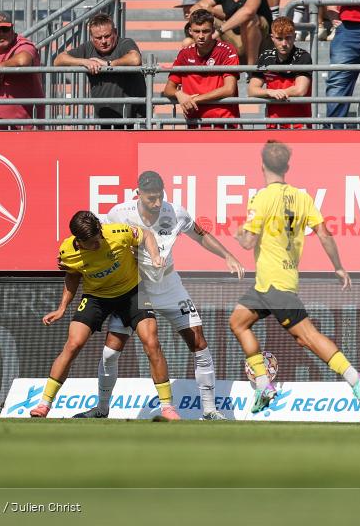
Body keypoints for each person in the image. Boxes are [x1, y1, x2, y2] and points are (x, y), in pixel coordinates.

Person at [75, 171, 247, 420]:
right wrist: (71, 256)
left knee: (198, 341)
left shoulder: (176, 213)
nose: (156, 204)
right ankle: (102, 408)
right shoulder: (118, 214)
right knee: (111, 352)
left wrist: (228, 255)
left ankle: (210, 410)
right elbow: (92, 237)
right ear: (138, 195)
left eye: (159, 197)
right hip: (136, 290)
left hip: (169, 286)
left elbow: (201, 235)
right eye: (150, 199)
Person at [230, 141, 360, 416]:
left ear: (262, 166)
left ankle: (357, 379)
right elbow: (324, 234)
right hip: (270, 283)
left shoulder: (261, 198)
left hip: (274, 283)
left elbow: (248, 242)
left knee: (307, 337)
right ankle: (263, 384)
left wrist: (239, 233)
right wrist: (339, 267)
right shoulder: (303, 198)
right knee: (237, 322)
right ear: (287, 167)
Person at [31, 211, 181, 421]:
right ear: (79, 241)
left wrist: (155, 256)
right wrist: (62, 307)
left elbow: (146, 234)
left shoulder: (117, 233)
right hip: (96, 297)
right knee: (73, 344)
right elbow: (72, 276)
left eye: (99, 238)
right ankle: (44, 404)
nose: (98, 245)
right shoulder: (67, 251)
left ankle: (168, 408)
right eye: (91, 243)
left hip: (133, 292)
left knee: (152, 342)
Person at [54, 13, 146, 128]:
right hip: (105, 119)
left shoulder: (125, 43)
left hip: (135, 120)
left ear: (115, 33)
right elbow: (58, 60)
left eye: (107, 36)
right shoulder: (88, 48)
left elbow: (135, 59)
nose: (103, 41)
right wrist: (85, 62)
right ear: (92, 38)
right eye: (98, 38)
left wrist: (109, 64)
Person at [163, 9, 240, 129]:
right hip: (195, 124)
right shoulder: (184, 54)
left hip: (225, 125)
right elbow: (168, 89)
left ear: (213, 30)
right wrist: (179, 94)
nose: (201, 36)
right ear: (190, 31)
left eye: (205, 31)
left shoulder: (227, 50)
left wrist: (195, 100)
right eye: (196, 31)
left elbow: (229, 89)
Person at [249, 17, 312, 129]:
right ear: (272, 38)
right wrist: (270, 92)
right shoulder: (265, 56)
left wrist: (278, 93)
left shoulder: (303, 56)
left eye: (288, 38)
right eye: (279, 38)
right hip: (273, 123)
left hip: (299, 124)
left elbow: (300, 90)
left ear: (294, 36)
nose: (284, 43)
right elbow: (252, 90)